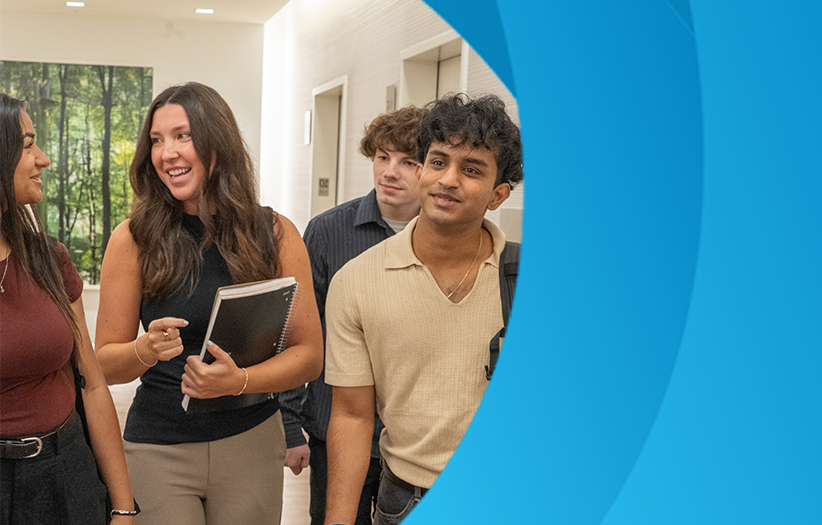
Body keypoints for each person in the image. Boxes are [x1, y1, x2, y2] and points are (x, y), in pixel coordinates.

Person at [94, 82, 323, 525]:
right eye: (157, 141)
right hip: (159, 445)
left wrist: (239, 381)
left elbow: (309, 355)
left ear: (218, 142)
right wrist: (145, 350)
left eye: (183, 136)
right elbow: (104, 363)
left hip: (251, 440)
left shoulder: (275, 233)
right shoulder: (132, 240)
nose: (167, 153)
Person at [323, 93, 523, 525]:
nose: (448, 179)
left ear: (498, 194)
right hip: (406, 500)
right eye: (437, 161)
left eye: (471, 170)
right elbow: (352, 416)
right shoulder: (357, 281)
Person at [279, 106, 427, 525]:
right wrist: (291, 425)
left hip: (414, 438)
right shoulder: (328, 231)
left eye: (408, 162)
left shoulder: (446, 239)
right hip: (335, 429)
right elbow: (299, 329)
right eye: (382, 157)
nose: (389, 172)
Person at [0, 93, 137, 524]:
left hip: (65, 474)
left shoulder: (50, 258)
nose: (42, 159)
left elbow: (94, 386)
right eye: (27, 145)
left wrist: (123, 507)